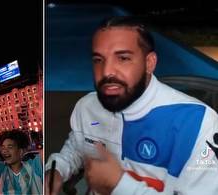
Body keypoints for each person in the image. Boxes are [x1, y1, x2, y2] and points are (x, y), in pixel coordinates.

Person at [45, 16, 218, 195]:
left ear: (149, 63)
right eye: (99, 60)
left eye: (123, 58)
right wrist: (57, 170)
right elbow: (77, 147)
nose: (107, 72)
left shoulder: (199, 123)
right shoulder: (87, 107)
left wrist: (119, 185)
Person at [0, 129, 43, 194]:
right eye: (3, 147)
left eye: (10, 147)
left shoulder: (34, 166)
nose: (5, 151)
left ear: (21, 151)